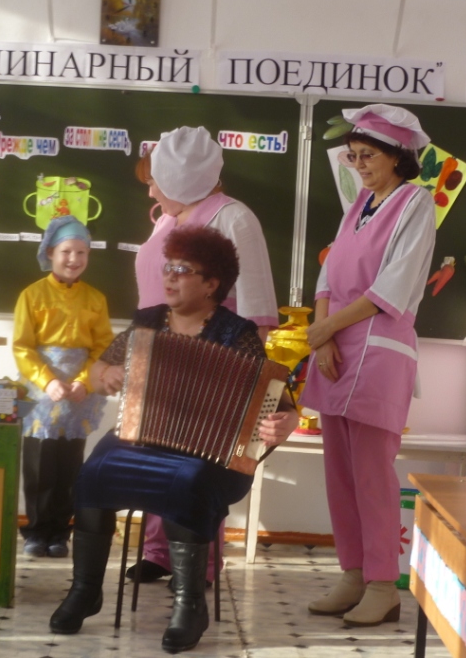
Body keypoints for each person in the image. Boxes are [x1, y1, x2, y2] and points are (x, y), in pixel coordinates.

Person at [48, 226, 298, 653]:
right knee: (92, 474)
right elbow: (99, 370)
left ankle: (190, 606)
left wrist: (285, 423)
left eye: (183, 270)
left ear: (211, 283)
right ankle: (85, 590)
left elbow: (280, 402)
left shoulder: (236, 334)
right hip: (139, 438)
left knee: (188, 482)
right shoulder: (147, 322)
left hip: (210, 456)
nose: (170, 277)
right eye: (168, 268)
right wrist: (106, 374)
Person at [298, 104, 436, 627]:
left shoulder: (415, 203)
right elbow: (328, 277)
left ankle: (383, 584)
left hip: (379, 352)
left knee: (373, 475)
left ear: (398, 156)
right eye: (352, 156)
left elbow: (392, 288)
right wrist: (323, 336)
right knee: (340, 474)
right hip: (336, 351)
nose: (358, 165)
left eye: (367, 156)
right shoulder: (358, 205)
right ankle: (352, 574)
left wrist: (328, 329)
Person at [129, 126, 280, 586]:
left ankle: (200, 563)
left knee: (199, 460)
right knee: (156, 450)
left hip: (212, 357)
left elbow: (255, 304)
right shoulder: (166, 220)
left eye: (157, 181)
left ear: (182, 178)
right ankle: (158, 552)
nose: (151, 191)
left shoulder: (235, 218)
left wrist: (242, 372)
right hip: (161, 353)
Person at [13, 215, 114, 559]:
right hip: (42, 391)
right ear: (50, 253)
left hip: (77, 394)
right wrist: (48, 380)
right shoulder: (32, 295)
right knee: (39, 466)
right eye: (67, 251)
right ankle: (36, 531)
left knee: (69, 466)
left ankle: (60, 532)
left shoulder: (95, 299)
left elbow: (102, 346)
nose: (74, 259)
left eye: (81, 252)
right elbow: (22, 347)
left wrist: (85, 381)